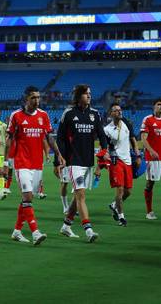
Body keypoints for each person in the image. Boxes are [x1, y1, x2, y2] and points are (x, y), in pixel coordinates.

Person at [4, 86, 63, 245]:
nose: (37, 100)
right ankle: (35, 232)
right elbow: (9, 140)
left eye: (38, 97)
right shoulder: (16, 116)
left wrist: (58, 154)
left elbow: (49, 137)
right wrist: (5, 162)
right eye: (33, 98)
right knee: (28, 197)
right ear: (26, 99)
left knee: (27, 199)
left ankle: (17, 231)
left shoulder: (43, 115)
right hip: (21, 162)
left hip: (37, 164)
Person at [56, 84, 110, 242]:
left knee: (77, 197)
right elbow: (60, 138)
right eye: (86, 94)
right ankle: (89, 230)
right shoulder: (68, 113)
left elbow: (102, 135)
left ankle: (66, 226)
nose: (89, 96)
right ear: (79, 96)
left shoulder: (95, 114)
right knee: (81, 195)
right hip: (73, 161)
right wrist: (58, 159)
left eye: (90, 94)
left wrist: (104, 150)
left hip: (88, 161)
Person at [104, 103, 140, 226]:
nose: (119, 112)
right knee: (119, 190)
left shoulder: (126, 123)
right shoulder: (107, 130)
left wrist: (137, 154)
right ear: (111, 114)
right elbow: (104, 147)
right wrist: (105, 156)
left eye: (120, 110)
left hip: (128, 161)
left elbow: (133, 139)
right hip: (116, 161)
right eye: (116, 110)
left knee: (128, 191)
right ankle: (121, 217)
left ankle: (114, 205)